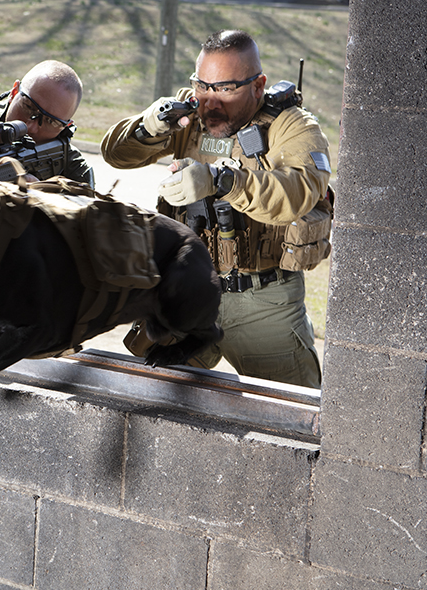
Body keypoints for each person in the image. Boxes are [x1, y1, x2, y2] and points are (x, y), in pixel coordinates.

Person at [101, 30, 333, 389]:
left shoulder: (293, 126)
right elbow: (115, 154)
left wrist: (223, 180)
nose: (210, 102)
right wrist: (148, 128)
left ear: (258, 85)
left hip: (262, 301)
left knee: (288, 414)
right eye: (202, 86)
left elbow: (297, 192)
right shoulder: (188, 114)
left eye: (226, 89)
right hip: (188, 286)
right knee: (150, 396)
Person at [0, 60, 94, 192]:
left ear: (66, 126)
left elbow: (90, 218)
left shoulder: (69, 162)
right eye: (28, 107)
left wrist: (43, 199)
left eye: (50, 122)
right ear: (14, 92)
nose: (31, 127)